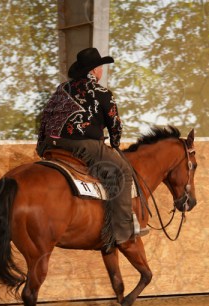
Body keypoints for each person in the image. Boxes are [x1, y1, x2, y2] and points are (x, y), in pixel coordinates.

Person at [36, 47, 148, 248]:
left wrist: (41, 146)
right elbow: (115, 124)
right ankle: (123, 232)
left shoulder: (62, 89)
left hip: (52, 144)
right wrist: (115, 144)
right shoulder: (102, 93)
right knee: (122, 172)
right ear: (95, 70)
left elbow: (44, 118)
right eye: (101, 67)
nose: (102, 71)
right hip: (83, 145)